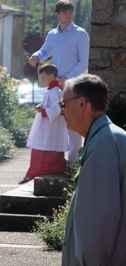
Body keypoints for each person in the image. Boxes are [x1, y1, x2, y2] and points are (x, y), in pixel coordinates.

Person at [61, 74, 126, 265]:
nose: (62, 112)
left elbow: (96, 229)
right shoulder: (111, 137)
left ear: (82, 103)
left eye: (63, 104)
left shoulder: (102, 145)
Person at [28, 0, 90, 165]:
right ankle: (56, 163)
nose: (68, 14)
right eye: (65, 12)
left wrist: (67, 78)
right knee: (54, 121)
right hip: (54, 85)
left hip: (73, 85)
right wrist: (36, 56)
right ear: (57, 14)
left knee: (73, 123)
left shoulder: (80, 34)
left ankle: (73, 163)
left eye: (70, 11)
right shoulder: (52, 34)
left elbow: (84, 62)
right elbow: (45, 51)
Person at [19, 64, 67, 184]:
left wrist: (44, 110)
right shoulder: (52, 91)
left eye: (44, 78)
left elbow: (58, 110)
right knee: (41, 148)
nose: (42, 80)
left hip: (51, 126)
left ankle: (34, 173)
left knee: (41, 149)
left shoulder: (55, 91)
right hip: (47, 125)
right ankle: (36, 172)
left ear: (52, 76)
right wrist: (42, 108)